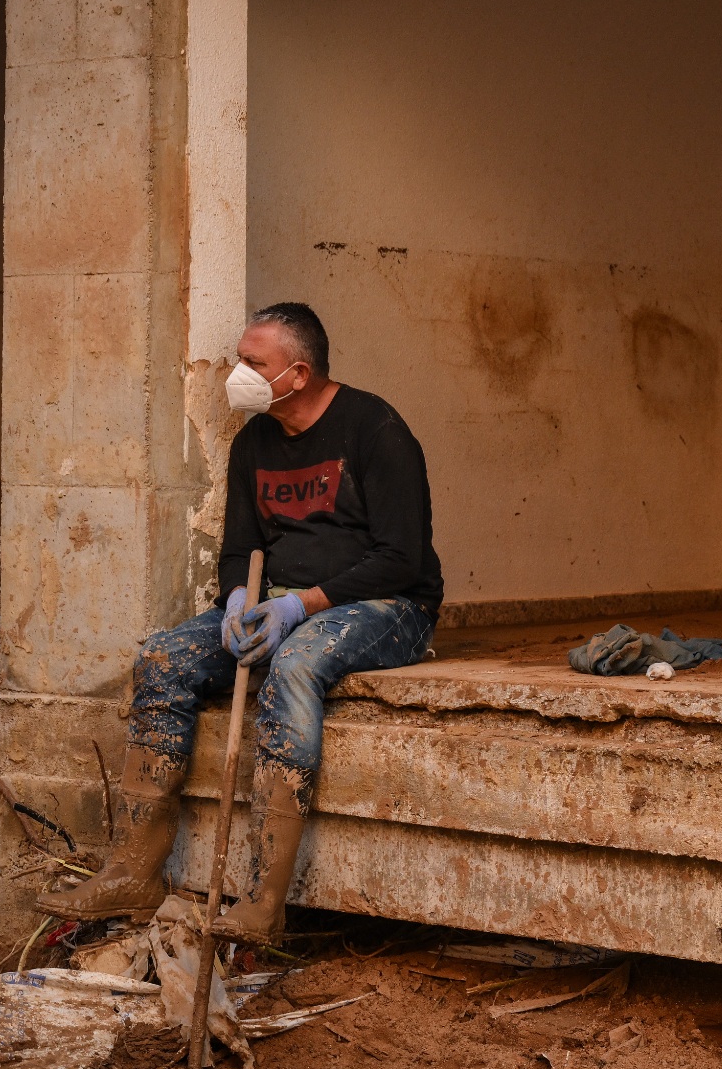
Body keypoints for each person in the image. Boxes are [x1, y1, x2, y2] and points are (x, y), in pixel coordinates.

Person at [38, 302, 442, 942]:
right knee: (164, 658)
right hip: (277, 599)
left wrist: (296, 607)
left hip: (390, 608)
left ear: (299, 373)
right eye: (239, 358)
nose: (238, 373)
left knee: (298, 661)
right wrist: (237, 602)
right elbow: (238, 548)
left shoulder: (375, 429)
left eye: (254, 363)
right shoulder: (255, 440)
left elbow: (400, 560)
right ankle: (134, 873)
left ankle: (263, 902)